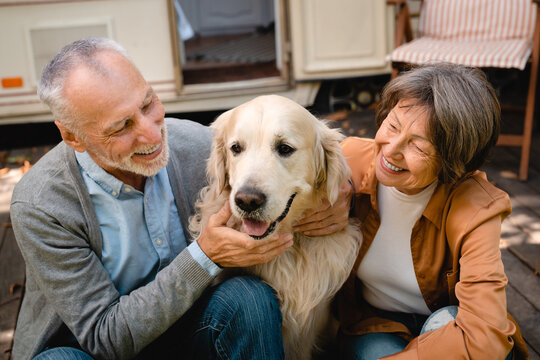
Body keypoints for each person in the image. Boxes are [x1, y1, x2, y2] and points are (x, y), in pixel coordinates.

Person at [10, 37, 350, 360]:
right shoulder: (40, 204)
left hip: (190, 334)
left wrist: (344, 189)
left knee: (249, 297)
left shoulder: (195, 143)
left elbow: (299, 155)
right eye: (121, 126)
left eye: (147, 104)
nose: (152, 133)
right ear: (73, 136)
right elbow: (104, 338)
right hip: (93, 350)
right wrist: (204, 256)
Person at [333, 63, 529, 359]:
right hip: (377, 325)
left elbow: (485, 336)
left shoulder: (477, 207)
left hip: (450, 322)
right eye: (393, 125)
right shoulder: (348, 160)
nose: (391, 150)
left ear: (453, 160)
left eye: (419, 147)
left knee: (445, 323)